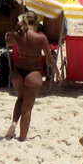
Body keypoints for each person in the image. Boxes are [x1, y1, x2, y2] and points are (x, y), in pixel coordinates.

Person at [4, 11, 54, 141]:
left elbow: (7, 42)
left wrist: (15, 29)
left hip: (18, 72)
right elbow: (49, 58)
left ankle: (13, 123)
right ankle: (22, 137)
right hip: (33, 73)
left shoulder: (16, 35)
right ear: (36, 22)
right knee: (27, 108)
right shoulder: (40, 37)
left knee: (20, 98)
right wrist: (57, 73)